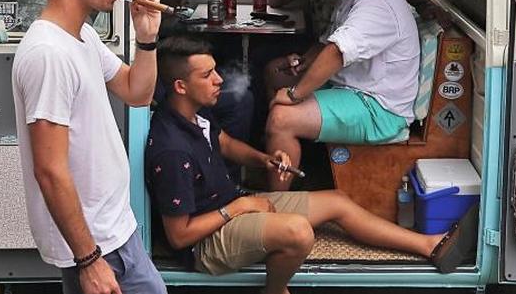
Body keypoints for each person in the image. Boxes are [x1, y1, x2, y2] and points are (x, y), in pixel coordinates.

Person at [146, 37, 473, 294]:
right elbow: (179, 236)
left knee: (338, 201)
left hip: (230, 206)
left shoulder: (194, 116)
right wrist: (241, 207)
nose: (219, 79)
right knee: (298, 233)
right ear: (180, 86)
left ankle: (428, 245)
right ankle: (274, 291)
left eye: (216, 70)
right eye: (207, 75)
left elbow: (226, 144)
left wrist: (266, 159)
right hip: (205, 243)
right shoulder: (171, 150)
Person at [11, 0, 167, 294]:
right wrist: (89, 260)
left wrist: (147, 40)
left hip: (114, 230)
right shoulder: (49, 53)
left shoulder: (81, 35)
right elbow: (49, 170)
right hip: (97, 244)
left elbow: (137, 92)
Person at [264, 0, 420, 191]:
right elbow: (326, 42)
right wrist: (302, 62)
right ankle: (281, 150)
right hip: (354, 89)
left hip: (379, 109)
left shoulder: (378, 1)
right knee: (274, 73)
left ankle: (275, 204)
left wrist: (294, 94)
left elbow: (337, 52)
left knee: (281, 117)